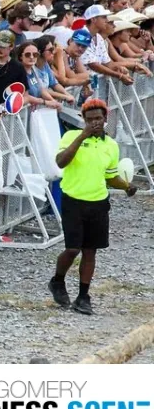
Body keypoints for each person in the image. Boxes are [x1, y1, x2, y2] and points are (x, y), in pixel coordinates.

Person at [49, 99, 137, 315]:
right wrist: (82, 136)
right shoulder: (71, 136)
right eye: (90, 120)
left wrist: (126, 186)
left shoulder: (111, 145)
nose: (94, 123)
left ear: (105, 119)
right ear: (84, 120)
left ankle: (83, 295)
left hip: (98, 202)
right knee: (72, 249)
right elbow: (61, 162)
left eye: (98, 119)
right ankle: (58, 281)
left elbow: (110, 176)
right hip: (73, 200)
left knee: (90, 251)